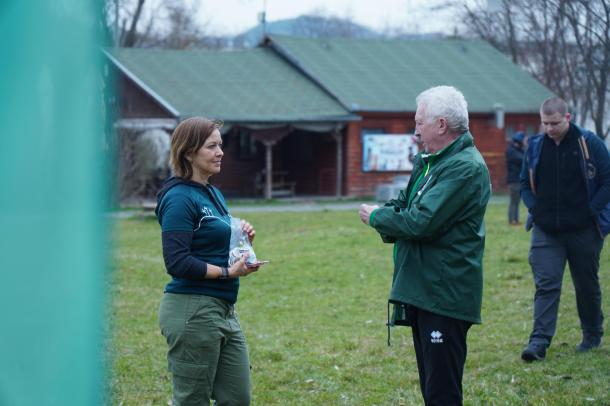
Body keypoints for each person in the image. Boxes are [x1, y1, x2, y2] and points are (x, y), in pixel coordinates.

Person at [359, 86, 491, 405]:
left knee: (442, 392)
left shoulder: (463, 167)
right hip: (425, 289)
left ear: (441, 125)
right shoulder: (430, 161)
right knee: (431, 388)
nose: (415, 130)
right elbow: (404, 205)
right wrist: (390, 216)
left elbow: (420, 222)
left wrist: (378, 217)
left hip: (444, 293)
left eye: (419, 122)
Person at [155, 117, 260, 405]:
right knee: (192, 400)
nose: (220, 152)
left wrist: (242, 242)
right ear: (189, 152)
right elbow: (177, 262)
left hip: (224, 309)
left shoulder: (212, 192)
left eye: (221, 145)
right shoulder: (178, 198)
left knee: (237, 399)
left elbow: (210, 244)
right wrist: (228, 271)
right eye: (212, 146)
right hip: (193, 310)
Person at [519, 97, 610, 361]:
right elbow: (524, 183)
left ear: (567, 118)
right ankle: (538, 342)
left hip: (584, 230)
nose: (549, 128)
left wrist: (590, 210)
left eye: (554, 123)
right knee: (546, 284)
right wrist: (535, 209)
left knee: (586, 284)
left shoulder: (589, 143)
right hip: (546, 230)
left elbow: (607, 181)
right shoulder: (535, 147)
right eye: (545, 123)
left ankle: (592, 333)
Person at [506, 131, 525, 225]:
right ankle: (512, 220)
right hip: (514, 180)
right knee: (514, 201)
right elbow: (522, 159)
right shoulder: (512, 151)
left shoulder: (516, 150)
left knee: (517, 201)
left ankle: (515, 219)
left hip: (517, 180)